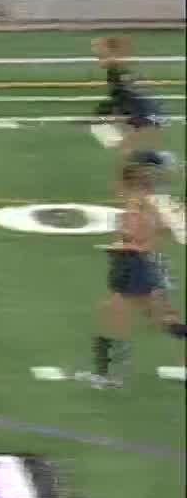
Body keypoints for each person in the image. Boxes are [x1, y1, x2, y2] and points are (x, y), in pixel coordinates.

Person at [77, 164, 184, 388]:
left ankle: (108, 376)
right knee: (161, 320)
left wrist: (124, 245)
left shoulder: (137, 208)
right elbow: (155, 234)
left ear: (129, 184)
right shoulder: (142, 206)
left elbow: (140, 241)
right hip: (134, 267)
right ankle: (108, 375)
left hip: (135, 269)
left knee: (111, 317)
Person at [91, 35, 172, 169]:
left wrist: (103, 111)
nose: (98, 61)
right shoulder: (117, 70)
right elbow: (122, 95)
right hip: (141, 113)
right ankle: (160, 161)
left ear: (112, 53)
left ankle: (162, 161)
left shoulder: (118, 71)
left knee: (127, 152)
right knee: (126, 152)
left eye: (101, 56)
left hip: (144, 114)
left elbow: (124, 94)